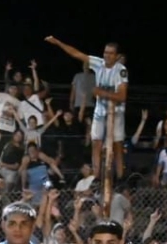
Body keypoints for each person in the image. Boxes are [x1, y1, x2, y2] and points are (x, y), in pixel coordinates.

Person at [45, 36, 128, 181]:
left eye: (110, 53)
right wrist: (58, 42)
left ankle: (121, 178)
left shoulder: (121, 70)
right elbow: (76, 54)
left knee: (117, 145)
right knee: (96, 142)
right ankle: (96, 176)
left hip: (117, 112)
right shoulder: (98, 63)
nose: (107, 55)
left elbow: (122, 96)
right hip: (100, 111)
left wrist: (102, 93)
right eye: (105, 52)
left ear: (116, 56)